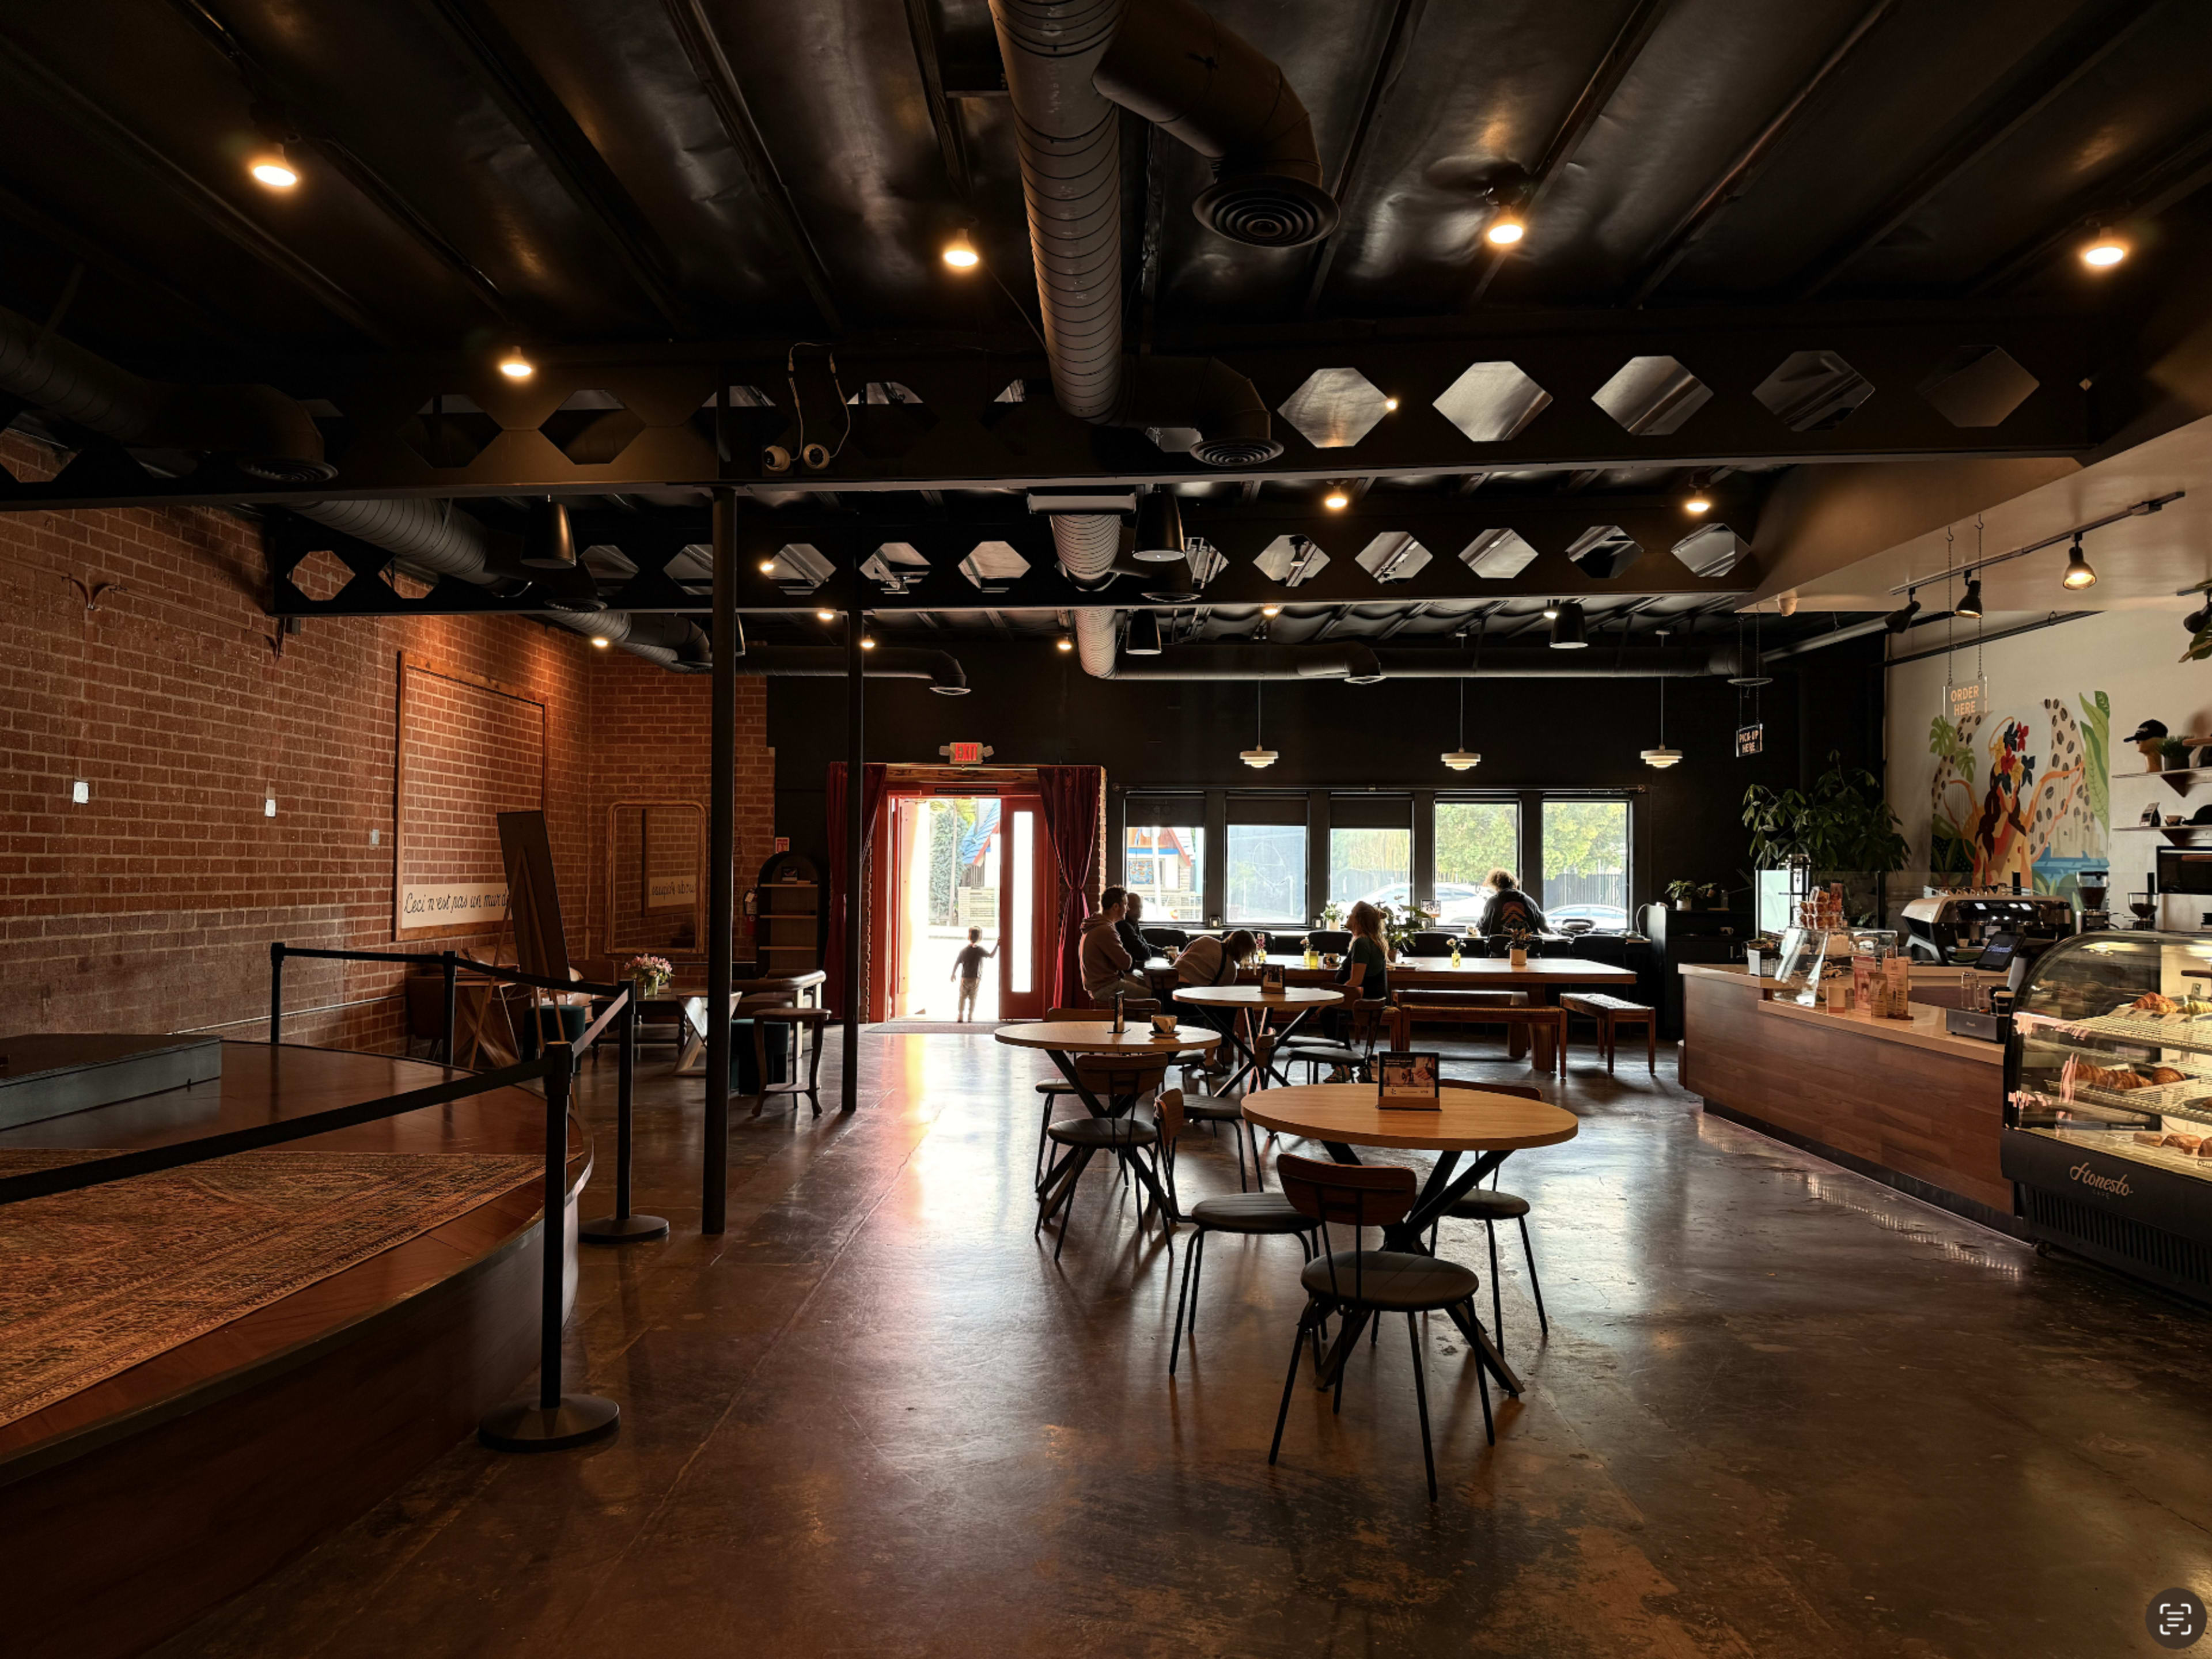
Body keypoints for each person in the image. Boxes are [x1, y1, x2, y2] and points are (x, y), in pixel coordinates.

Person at [1079, 886, 1149, 1004]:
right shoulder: (1106, 930)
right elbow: (1126, 963)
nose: (1128, 909)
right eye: (1126, 905)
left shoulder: (1095, 925)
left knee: (1147, 983)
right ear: (1116, 907)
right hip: (1105, 988)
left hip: (1099, 986)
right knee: (1155, 996)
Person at [1477, 869, 1547, 936]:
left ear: (1495, 886)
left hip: (1499, 947)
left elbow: (1483, 928)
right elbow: (1543, 926)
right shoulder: (1529, 901)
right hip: (1528, 947)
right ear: (1514, 884)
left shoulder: (1493, 903)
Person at [949, 927, 996, 1022]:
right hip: (976, 978)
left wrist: (953, 974)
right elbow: (991, 956)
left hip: (964, 978)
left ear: (968, 937)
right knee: (973, 998)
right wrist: (997, 945)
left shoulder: (963, 951)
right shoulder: (980, 950)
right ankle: (970, 1016)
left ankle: (960, 1015)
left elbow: (957, 963)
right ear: (980, 937)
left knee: (962, 997)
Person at [1116, 890, 1150, 969]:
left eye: (1141, 907)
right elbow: (1144, 953)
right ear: (1127, 908)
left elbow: (1144, 945)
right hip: (1125, 972)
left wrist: (1163, 952)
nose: (1139, 910)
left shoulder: (1134, 922)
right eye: (1136, 907)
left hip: (1131, 968)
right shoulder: (1123, 925)